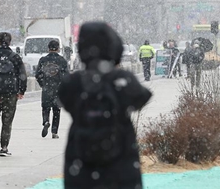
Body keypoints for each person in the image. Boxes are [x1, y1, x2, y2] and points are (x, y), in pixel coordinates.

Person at [58, 22, 152, 189]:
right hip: (120, 165)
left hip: (80, 163)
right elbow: (142, 97)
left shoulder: (73, 82)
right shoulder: (122, 80)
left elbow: (64, 99)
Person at [35, 40, 68, 139]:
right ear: (58, 49)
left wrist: (43, 84)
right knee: (56, 110)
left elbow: (37, 75)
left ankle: (46, 121)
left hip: (47, 88)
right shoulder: (62, 60)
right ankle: (54, 132)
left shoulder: (43, 60)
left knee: (45, 108)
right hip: (58, 88)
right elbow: (66, 76)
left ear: (48, 48)